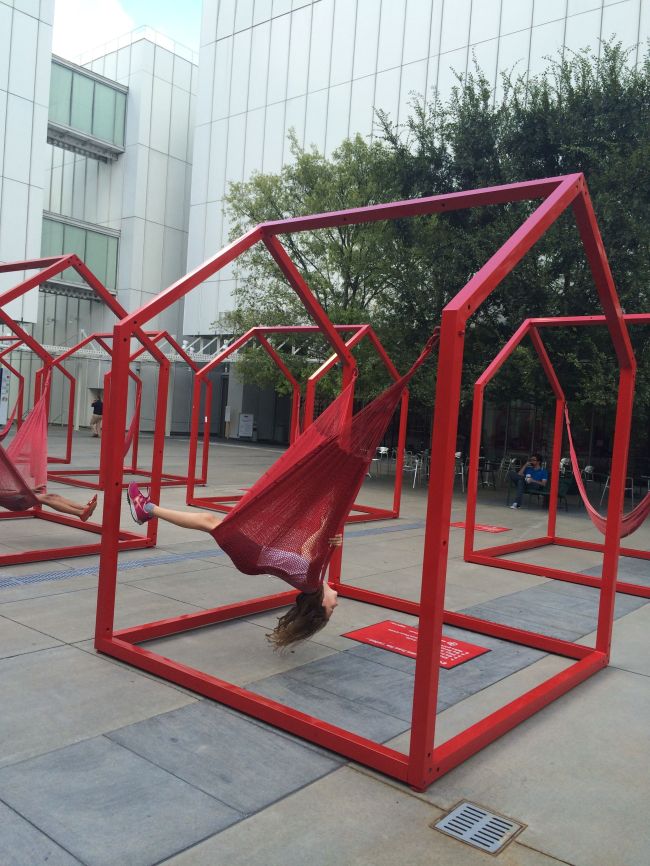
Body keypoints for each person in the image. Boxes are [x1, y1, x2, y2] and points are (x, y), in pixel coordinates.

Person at [126, 483, 342, 649]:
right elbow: (306, 549)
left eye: (331, 608)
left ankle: (146, 508)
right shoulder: (316, 579)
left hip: (252, 556)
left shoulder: (312, 583)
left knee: (208, 521)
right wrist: (325, 526)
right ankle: (147, 509)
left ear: (321, 602)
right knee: (210, 522)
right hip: (255, 557)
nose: (336, 603)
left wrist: (329, 539)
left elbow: (315, 557)